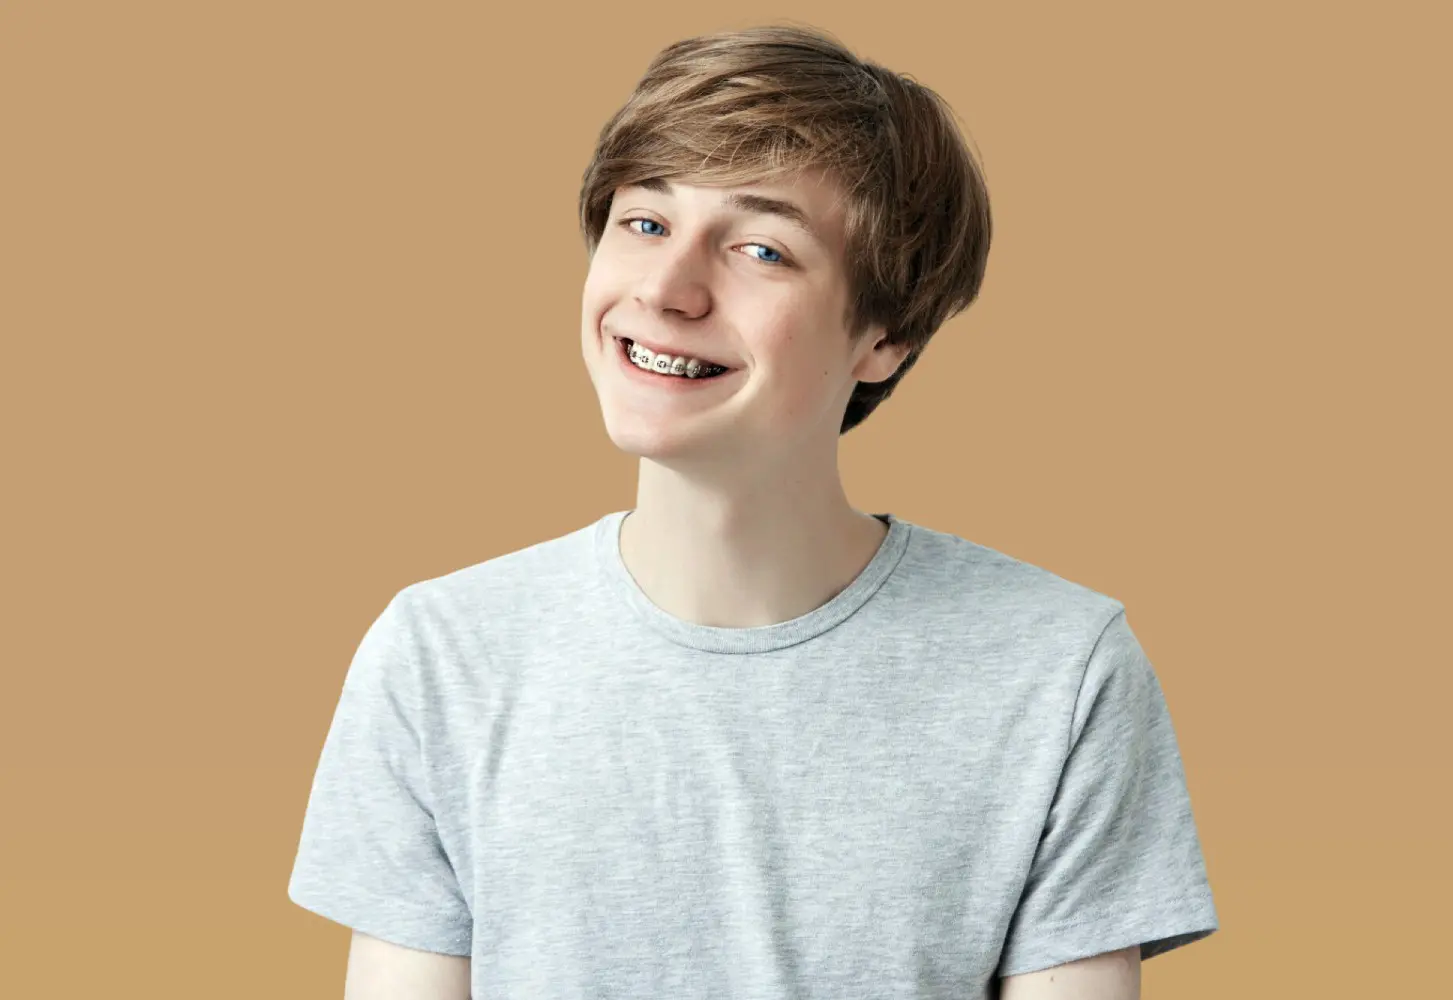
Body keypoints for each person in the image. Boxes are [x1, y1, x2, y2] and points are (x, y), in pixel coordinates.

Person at [288, 22, 1219, 1000]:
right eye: (645, 223)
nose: (666, 289)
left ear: (887, 336)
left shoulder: (1059, 674)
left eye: (761, 249)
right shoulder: (440, 657)